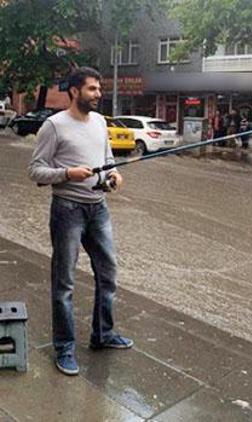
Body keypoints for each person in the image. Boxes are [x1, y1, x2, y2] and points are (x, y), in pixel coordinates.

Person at [28, 67, 132, 376]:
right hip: (67, 210)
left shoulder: (100, 122)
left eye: (99, 89)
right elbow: (35, 171)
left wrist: (114, 175)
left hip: (98, 208)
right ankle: (65, 347)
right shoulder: (54, 126)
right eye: (92, 89)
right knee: (65, 283)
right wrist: (66, 174)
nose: (99, 94)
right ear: (74, 91)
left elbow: (108, 160)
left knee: (109, 272)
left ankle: (102, 335)